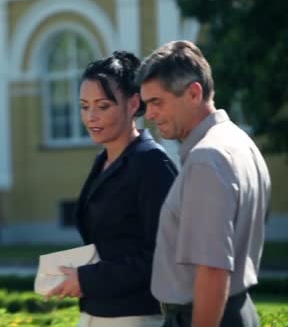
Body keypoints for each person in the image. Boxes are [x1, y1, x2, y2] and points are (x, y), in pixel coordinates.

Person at [136, 40, 271, 327]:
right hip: (236, 310)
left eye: (156, 102)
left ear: (194, 93)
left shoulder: (206, 159)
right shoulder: (240, 142)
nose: (149, 115)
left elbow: (212, 270)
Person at [46, 51, 178, 327]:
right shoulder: (103, 160)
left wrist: (85, 278)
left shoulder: (152, 164)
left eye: (103, 106)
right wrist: (76, 272)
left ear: (133, 103)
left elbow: (161, 258)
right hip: (97, 311)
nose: (91, 117)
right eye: (84, 106)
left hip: (136, 316)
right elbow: (113, 242)